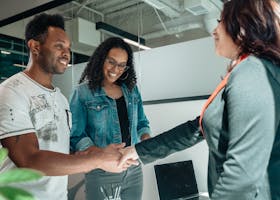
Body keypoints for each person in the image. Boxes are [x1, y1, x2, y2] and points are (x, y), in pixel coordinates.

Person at [119, 0, 280, 199]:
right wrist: (138, 150)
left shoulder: (252, 72)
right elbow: (197, 129)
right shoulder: (249, 71)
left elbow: (242, 176)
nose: (214, 30)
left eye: (221, 21)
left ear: (243, 25)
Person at [0, 13, 132, 200]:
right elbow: (29, 160)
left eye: (68, 48)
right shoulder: (12, 92)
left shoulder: (60, 99)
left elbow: (60, 151)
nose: (66, 54)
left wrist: (99, 152)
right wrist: (97, 160)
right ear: (35, 47)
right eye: (59, 46)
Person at [69, 37, 151, 200]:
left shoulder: (132, 90)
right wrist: (100, 155)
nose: (116, 69)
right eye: (111, 62)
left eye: (122, 65)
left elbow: (142, 123)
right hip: (102, 170)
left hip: (133, 168)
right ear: (101, 60)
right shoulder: (82, 93)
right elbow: (76, 135)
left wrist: (146, 140)